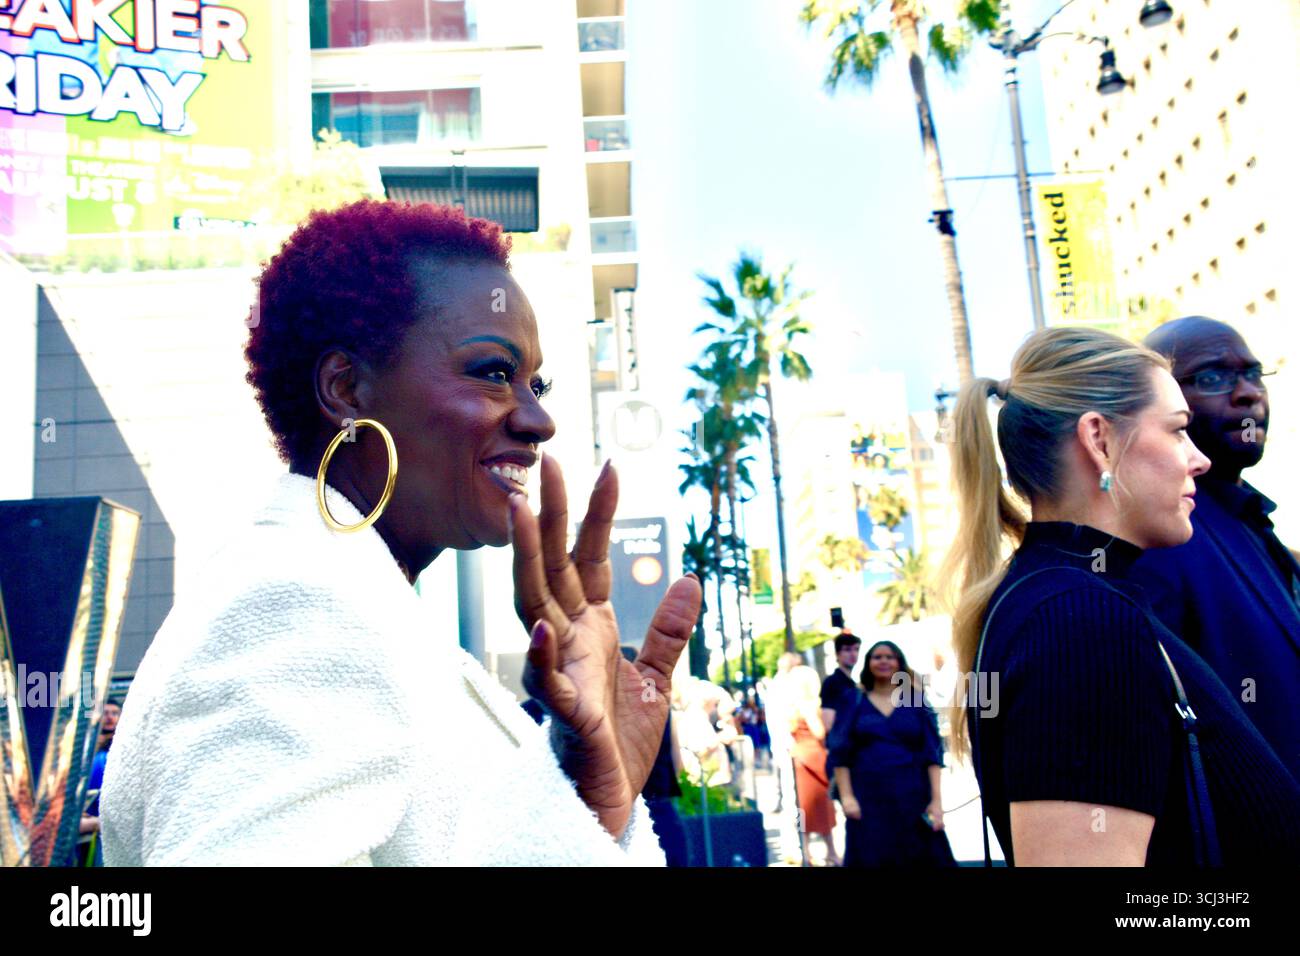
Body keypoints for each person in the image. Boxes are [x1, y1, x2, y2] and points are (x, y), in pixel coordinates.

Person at [100, 200, 702, 865]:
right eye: (495, 373)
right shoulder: (298, 608)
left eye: (538, 383)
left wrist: (590, 791)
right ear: (347, 389)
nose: (538, 419)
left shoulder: (355, 608)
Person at [944, 325, 1300, 865]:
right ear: (1100, 441)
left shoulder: (1072, 600)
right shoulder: (1078, 621)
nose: (1197, 460)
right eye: (1178, 431)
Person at [1131, 317, 1300, 781]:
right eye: (1211, 378)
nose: (1248, 393)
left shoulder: (1249, 524)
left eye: (1254, 373)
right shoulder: (1161, 536)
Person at [829, 641, 953, 867]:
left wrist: (936, 801)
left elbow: (932, 754)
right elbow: (840, 752)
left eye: (890, 657)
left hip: (913, 797)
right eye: (877, 657)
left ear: (899, 663)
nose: (884, 661)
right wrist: (846, 797)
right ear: (868, 664)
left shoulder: (916, 700)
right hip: (868, 800)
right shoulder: (852, 701)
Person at [786, 665, 840, 866]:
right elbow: (819, 732)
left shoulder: (792, 705)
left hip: (800, 758)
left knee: (803, 807)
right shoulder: (808, 705)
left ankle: (805, 851)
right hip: (814, 758)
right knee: (822, 806)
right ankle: (831, 852)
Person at [819, 631, 860, 734]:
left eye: (856, 649)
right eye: (847, 650)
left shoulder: (853, 684)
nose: (853, 654)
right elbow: (828, 724)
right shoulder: (832, 683)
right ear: (837, 653)